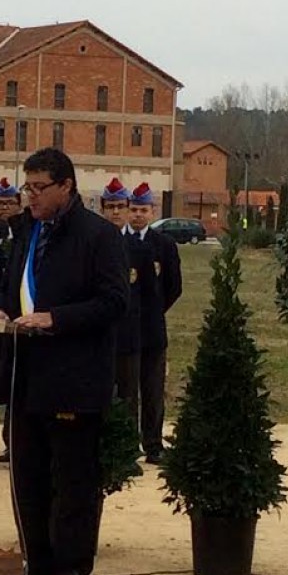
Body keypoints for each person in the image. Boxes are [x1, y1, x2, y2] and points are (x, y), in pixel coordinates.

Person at [0, 147, 128, 575]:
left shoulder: (99, 236)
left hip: (74, 375)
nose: (29, 196)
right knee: (27, 472)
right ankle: (38, 560)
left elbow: (113, 302)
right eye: (26, 187)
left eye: (37, 188)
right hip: (26, 372)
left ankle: (72, 565)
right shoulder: (28, 231)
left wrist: (56, 318)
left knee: (72, 477)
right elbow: (14, 286)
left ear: (66, 186)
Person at [127, 183, 182, 463]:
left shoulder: (164, 245)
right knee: (126, 391)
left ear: (152, 212)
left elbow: (173, 286)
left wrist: (155, 310)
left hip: (152, 330)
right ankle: (127, 444)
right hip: (124, 332)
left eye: (143, 210)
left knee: (152, 390)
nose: (138, 215)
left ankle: (153, 443)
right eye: (134, 209)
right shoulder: (115, 243)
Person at [100, 179, 159, 435]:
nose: (115, 212)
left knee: (128, 395)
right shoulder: (92, 244)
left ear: (127, 208)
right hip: (98, 333)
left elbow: (151, 296)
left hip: (129, 335)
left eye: (120, 206)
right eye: (110, 206)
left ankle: (128, 447)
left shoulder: (139, 249)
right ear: (102, 208)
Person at [0, 177, 29, 464]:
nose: (5, 209)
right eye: (0, 204)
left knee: (18, 385)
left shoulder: (27, 236)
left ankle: (16, 443)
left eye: (11, 203)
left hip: (23, 324)